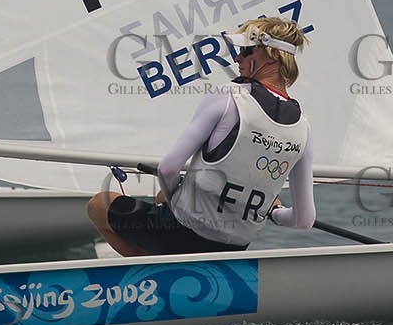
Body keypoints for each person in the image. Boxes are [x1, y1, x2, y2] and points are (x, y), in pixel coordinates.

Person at [87, 16, 316, 255]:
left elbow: (168, 169)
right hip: (235, 246)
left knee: (99, 204)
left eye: (246, 51)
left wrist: (176, 201)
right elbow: (304, 220)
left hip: (182, 231)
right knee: (163, 198)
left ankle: (154, 269)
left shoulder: (228, 95)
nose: (237, 58)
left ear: (272, 55)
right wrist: (274, 212)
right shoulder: (304, 127)